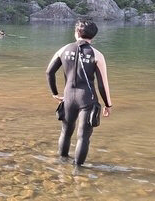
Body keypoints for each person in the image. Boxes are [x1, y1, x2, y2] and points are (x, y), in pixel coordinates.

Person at [46, 20, 113, 167]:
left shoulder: (63, 49)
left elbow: (49, 72)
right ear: (93, 36)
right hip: (87, 100)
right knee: (83, 137)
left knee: (65, 132)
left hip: (68, 97)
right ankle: (78, 170)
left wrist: (55, 93)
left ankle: (62, 163)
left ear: (76, 33)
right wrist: (108, 104)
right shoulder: (97, 55)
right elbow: (103, 84)